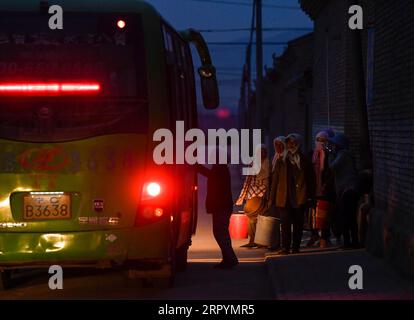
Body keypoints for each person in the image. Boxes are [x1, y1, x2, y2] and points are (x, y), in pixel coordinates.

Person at [268, 133, 314, 255]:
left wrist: (311, 196)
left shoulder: (304, 160)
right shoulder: (281, 159)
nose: (292, 145)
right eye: (289, 142)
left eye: (294, 142)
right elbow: (275, 180)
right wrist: (271, 198)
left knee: (298, 224)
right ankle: (285, 248)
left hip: (299, 197)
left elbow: (310, 179)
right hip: (284, 197)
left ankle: (295, 248)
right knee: (285, 224)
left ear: (298, 144)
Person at [196, 148, 238, 269]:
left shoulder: (220, 169)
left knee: (220, 233)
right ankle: (228, 258)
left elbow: (211, 176)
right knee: (222, 232)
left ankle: (230, 259)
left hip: (221, 207)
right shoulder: (221, 168)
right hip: (222, 206)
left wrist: (196, 166)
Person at [327, 132, 360, 249]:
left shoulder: (343, 154)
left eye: (334, 144)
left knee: (345, 217)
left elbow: (332, 166)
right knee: (350, 217)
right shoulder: (344, 154)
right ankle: (353, 241)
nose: (333, 146)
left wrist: (330, 155)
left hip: (348, 190)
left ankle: (348, 242)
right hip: (349, 189)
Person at [236, 145, 270, 248]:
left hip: (263, 195)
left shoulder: (268, 164)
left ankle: (258, 241)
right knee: (252, 218)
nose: (261, 154)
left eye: (263, 152)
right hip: (252, 195)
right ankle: (253, 240)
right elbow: (247, 181)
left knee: (260, 219)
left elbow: (269, 182)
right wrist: (242, 196)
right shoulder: (253, 164)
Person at [307, 130, 336, 248]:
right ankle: (315, 235)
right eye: (318, 140)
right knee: (312, 215)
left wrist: (326, 185)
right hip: (313, 190)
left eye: (323, 140)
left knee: (324, 215)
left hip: (325, 191)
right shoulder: (311, 154)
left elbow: (331, 172)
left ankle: (324, 237)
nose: (320, 142)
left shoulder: (329, 155)